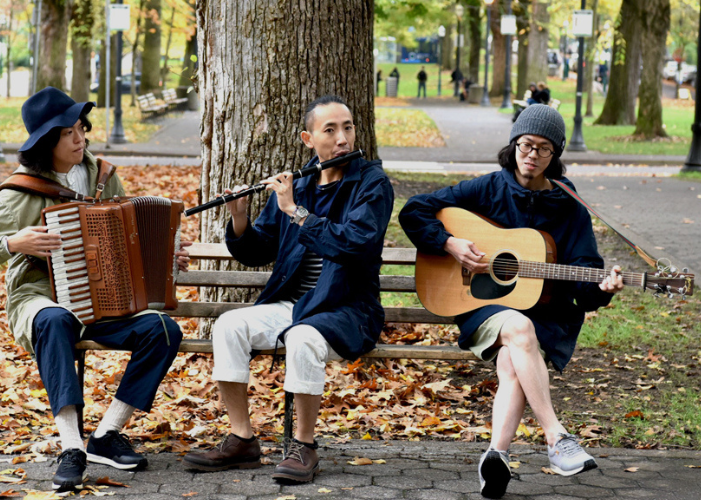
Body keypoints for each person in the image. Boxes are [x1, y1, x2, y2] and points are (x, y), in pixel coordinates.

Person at [0, 87, 191, 492]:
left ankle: (106, 435)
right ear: (47, 142)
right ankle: (72, 445)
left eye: (81, 128)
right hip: (40, 298)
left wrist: (166, 259)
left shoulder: (103, 178)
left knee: (164, 329)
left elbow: (130, 234)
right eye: (67, 133)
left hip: (104, 300)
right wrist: (13, 243)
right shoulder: (20, 192)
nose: (80, 138)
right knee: (56, 319)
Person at [399, 104, 624, 499]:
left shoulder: (570, 205)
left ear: (555, 156)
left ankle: (496, 456)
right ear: (513, 144)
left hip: (546, 313)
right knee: (519, 329)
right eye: (525, 145)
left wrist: (601, 289)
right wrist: (449, 243)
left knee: (512, 360)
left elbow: (585, 273)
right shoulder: (487, 188)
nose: (532, 155)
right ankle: (556, 438)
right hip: (480, 304)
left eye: (543, 149)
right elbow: (415, 211)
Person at [182, 95, 394, 484]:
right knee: (229, 326)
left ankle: (304, 446)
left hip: (346, 308)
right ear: (308, 139)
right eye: (330, 130)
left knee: (302, 337)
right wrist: (240, 216)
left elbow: (355, 244)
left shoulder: (372, 184)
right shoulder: (300, 184)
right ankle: (242, 439)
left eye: (347, 127)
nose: (342, 138)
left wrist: (296, 211)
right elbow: (258, 249)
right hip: (295, 304)